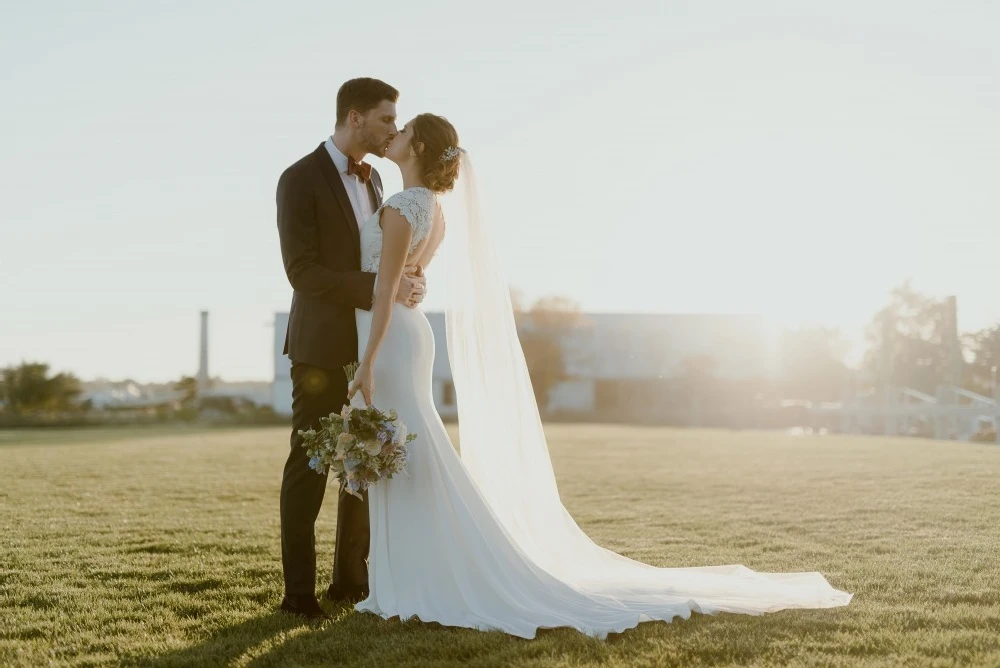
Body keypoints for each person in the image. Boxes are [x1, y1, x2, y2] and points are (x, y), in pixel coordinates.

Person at [344, 112, 852, 639]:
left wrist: (366, 362)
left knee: (405, 450)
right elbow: (411, 279)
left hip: (391, 340)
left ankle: (416, 578)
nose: (394, 133)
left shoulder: (405, 206)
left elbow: (387, 289)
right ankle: (407, 577)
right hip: (408, 333)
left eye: (402, 131)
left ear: (418, 146)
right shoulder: (436, 211)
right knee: (407, 450)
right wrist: (401, 299)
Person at [275, 78, 427, 620]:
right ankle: (298, 596)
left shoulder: (382, 182)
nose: (394, 130)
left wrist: (409, 283)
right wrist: (378, 289)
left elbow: (382, 261)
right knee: (309, 464)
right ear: (355, 117)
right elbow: (303, 272)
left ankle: (350, 584)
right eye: (387, 119)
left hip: (372, 347)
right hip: (320, 348)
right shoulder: (299, 178)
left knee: (363, 463)